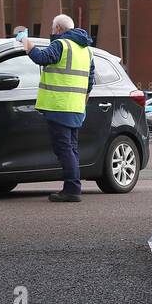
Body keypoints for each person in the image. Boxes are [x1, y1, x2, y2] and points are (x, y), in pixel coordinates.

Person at [24, 14, 94, 202]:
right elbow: (90, 80)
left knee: (64, 148)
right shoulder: (86, 50)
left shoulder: (61, 44)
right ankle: (73, 187)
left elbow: (42, 58)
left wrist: (27, 45)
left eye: (53, 29)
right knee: (71, 148)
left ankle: (72, 190)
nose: (52, 32)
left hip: (59, 106)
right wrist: (82, 101)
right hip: (76, 107)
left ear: (59, 29)